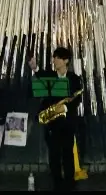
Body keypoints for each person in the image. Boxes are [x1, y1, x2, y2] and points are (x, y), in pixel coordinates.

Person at [28, 47, 83, 192]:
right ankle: (57, 184)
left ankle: (70, 185)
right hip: (52, 124)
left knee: (67, 155)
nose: (54, 60)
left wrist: (64, 108)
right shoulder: (49, 76)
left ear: (66, 60)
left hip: (67, 123)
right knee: (53, 155)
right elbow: (39, 79)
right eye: (53, 57)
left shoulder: (74, 78)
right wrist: (34, 68)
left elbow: (77, 99)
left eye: (57, 58)